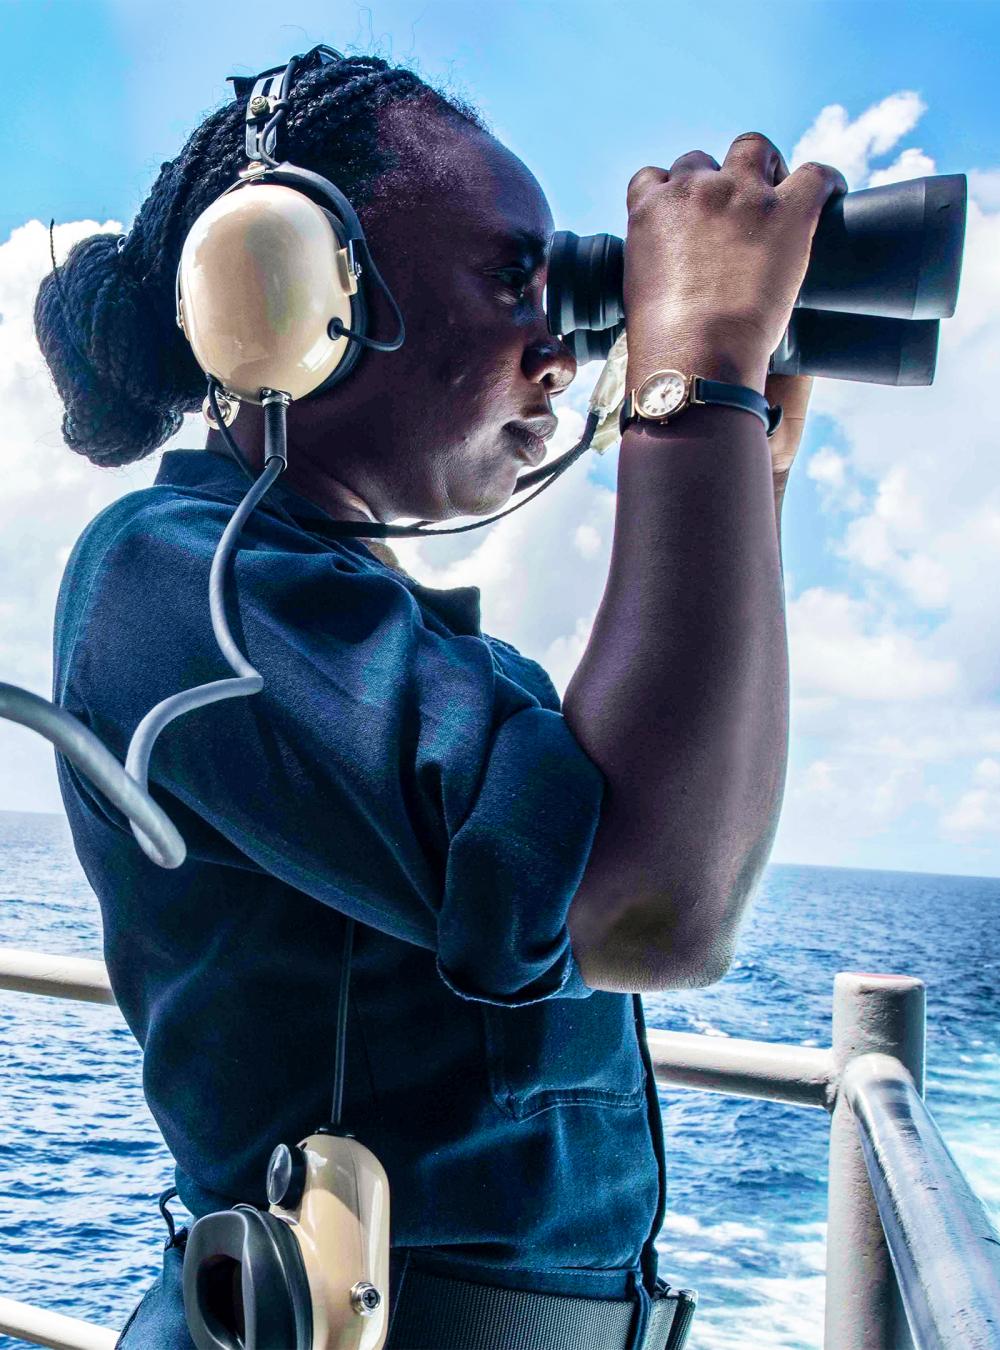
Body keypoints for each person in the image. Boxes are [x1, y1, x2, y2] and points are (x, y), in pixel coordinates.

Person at [34, 49, 845, 1350]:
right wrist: (695, 383)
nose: (559, 346)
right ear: (285, 292)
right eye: (513, 276)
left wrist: (739, 457)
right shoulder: (176, 586)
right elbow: (650, 906)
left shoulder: (362, 627)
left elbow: (642, 816)